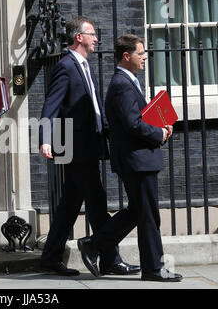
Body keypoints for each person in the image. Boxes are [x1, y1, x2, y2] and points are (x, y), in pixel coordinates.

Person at [39, 16, 140, 276]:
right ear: (79, 37)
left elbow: (96, 109)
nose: (96, 39)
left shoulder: (86, 66)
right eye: (92, 34)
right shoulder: (66, 66)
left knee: (70, 205)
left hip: (90, 146)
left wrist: (111, 133)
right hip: (77, 148)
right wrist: (46, 139)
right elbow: (51, 105)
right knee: (96, 202)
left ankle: (51, 257)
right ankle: (109, 258)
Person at [77, 34, 183, 282]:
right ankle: (153, 269)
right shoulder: (122, 84)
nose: (144, 57)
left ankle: (94, 245)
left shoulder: (128, 81)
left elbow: (136, 119)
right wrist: (159, 133)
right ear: (126, 56)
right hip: (136, 160)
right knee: (148, 215)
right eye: (140, 53)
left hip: (138, 159)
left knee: (138, 211)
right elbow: (133, 124)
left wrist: (160, 125)